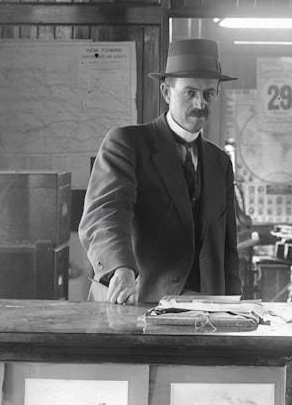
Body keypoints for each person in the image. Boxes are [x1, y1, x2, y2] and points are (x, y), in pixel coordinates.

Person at [79, 38, 242, 304]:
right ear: (167, 92)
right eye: (190, 92)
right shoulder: (126, 143)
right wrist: (120, 268)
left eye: (209, 93)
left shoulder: (220, 162)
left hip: (207, 313)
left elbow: (228, 250)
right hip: (135, 303)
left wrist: (236, 306)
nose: (200, 103)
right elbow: (106, 212)